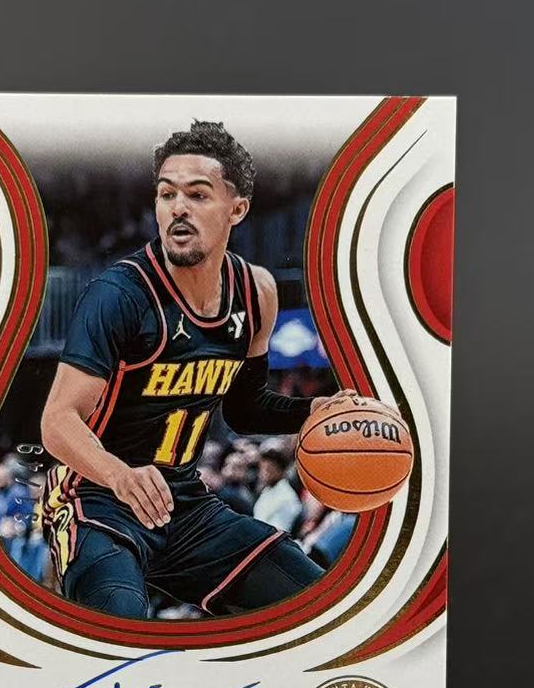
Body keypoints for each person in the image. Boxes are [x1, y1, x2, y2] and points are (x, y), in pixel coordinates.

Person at [39, 118, 370, 618]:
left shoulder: (256, 293)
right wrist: (120, 475)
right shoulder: (120, 294)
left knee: (319, 608)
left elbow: (244, 408)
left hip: (185, 506)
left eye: (197, 194)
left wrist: (313, 410)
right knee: (121, 628)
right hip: (94, 499)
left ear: (237, 209)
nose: (178, 208)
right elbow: (57, 421)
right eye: (166, 194)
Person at [253, 444, 304, 534]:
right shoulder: (266, 490)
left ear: (281, 470)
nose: (263, 473)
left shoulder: (287, 498)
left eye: (268, 469)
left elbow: (278, 532)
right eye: (261, 468)